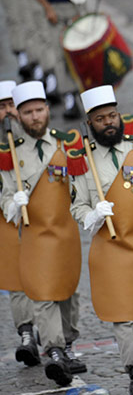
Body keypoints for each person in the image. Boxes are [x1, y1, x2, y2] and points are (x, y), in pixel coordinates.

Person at [70, 85, 133, 395]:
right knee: (125, 314)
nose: (109, 123)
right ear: (89, 124)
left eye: (112, 116)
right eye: (100, 119)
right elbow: (77, 206)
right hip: (110, 248)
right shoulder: (83, 161)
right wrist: (93, 215)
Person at [0, 81, 86, 387]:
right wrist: (13, 204)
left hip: (66, 232)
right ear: (20, 116)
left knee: (68, 293)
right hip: (35, 233)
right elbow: (6, 194)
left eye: (39, 110)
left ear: (48, 111)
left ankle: (69, 344)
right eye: (28, 112)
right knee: (43, 293)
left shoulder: (65, 144)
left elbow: (82, 184)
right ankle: (54, 350)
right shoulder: (11, 152)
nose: (35, 117)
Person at [26, 0, 105, 119]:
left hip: (77, 5)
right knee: (60, 54)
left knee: (85, 50)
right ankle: (69, 96)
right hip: (55, 9)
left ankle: (93, 93)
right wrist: (47, 8)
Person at [0, 80, 39, 369]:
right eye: (1, 108)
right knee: (16, 280)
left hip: (40, 216)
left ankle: (59, 340)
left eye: (11, 106)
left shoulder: (36, 140)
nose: (8, 113)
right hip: (6, 219)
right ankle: (26, 332)